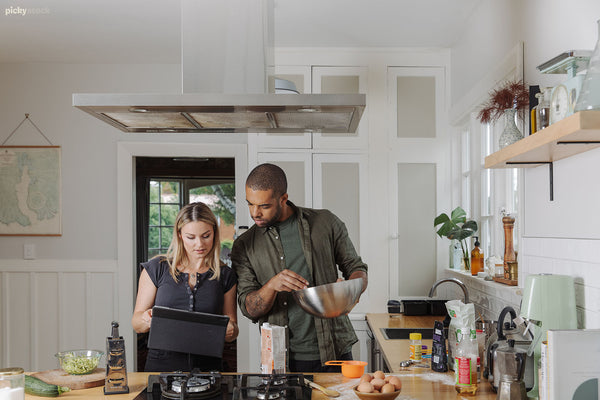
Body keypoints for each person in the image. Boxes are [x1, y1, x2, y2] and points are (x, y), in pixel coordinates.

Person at [231, 163, 368, 372]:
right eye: (250, 204)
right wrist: (272, 285)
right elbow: (249, 309)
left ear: (283, 199)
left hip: (334, 350)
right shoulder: (244, 245)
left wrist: (351, 288)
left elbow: (356, 268)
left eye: (264, 206)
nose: (254, 213)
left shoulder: (325, 222)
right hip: (280, 358)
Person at [132, 202, 238, 372]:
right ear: (180, 235)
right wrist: (146, 318)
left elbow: (232, 329)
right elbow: (136, 324)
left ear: (214, 234)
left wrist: (231, 330)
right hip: (160, 369)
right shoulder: (157, 268)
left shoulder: (226, 275)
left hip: (208, 370)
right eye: (191, 237)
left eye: (206, 236)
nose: (199, 244)